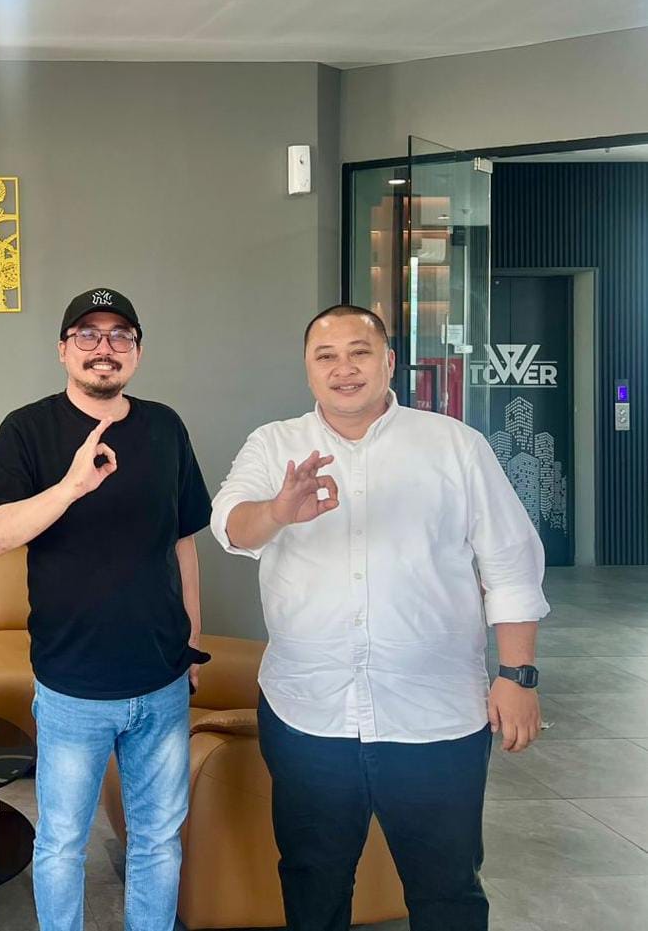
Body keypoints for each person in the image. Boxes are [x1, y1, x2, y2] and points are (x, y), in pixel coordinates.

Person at [211, 304, 549, 931]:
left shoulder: (455, 445)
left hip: (435, 716)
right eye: (326, 356)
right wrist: (278, 511)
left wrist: (517, 675)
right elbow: (230, 527)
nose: (344, 369)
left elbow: (511, 564)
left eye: (359, 352)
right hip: (309, 713)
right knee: (312, 881)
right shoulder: (275, 444)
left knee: (447, 889)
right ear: (308, 369)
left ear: (388, 361)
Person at [0, 288, 211, 931]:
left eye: (119, 335)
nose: (104, 348)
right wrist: (72, 486)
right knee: (62, 845)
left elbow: (183, 543)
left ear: (136, 351)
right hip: (72, 684)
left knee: (158, 841)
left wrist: (193, 643)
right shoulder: (28, 429)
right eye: (88, 335)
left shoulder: (165, 427)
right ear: (63, 350)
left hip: (161, 679)